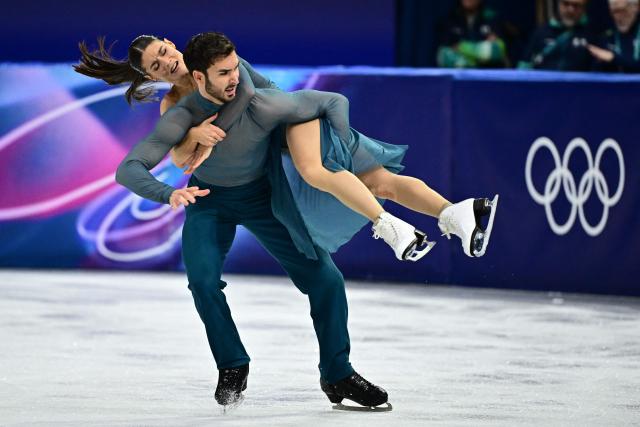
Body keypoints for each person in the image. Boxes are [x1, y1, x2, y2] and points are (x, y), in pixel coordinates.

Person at [519, 0, 595, 71]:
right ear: (559, 4)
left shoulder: (591, 35)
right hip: (544, 83)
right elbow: (524, 63)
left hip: (578, 84)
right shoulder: (541, 32)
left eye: (576, 6)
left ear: (584, 8)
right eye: (566, 4)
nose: (570, 10)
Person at [436, 0, 508, 68]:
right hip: (460, 79)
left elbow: (495, 51)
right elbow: (444, 57)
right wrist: (481, 53)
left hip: (490, 77)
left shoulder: (491, 18)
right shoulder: (449, 20)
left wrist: (462, 47)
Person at [588, 0, 640, 72]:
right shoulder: (607, 38)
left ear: (636, 7)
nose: (619, 17)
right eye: (615, 12)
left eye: (622, 10)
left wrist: (613, 58)